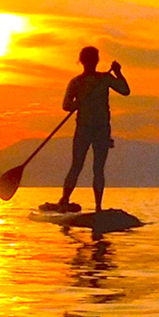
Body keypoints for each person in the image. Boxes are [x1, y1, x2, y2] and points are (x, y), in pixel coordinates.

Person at [56, 46, 129, 213]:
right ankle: (65, 200)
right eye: (88, 59)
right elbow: (66, 105)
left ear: (96, 61)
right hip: (84, 129)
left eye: (93, 59)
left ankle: (98, 208)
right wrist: (77, 104)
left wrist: (118, 73)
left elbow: (125, 91)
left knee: (98, 168)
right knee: (77, 166)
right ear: (83, 62)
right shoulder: (76, 82)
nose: (91, 62)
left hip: (102, 130)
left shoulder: (105, 78)